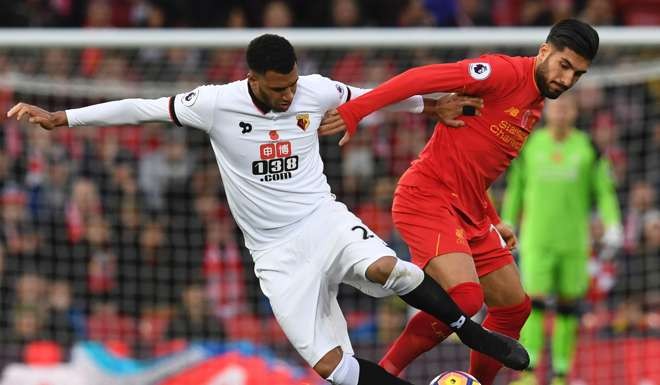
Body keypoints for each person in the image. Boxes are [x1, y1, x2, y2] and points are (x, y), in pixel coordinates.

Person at [7, 34, 527, 385]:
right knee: (332, 368)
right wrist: (63, 118)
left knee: (389, 268)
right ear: (253, 79)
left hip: (323, 218)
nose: (290, 94)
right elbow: (141, 109)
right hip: (273, 251)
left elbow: (376, 95)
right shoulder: (214, 103)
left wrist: (432, 106)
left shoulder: (314, 90)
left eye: (293, 83)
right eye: (279, 89)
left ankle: (472, 331)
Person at [319, 19, 599, 385]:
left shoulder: (536, 104)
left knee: (514, 307)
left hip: (470, 209)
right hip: (426, 196)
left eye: (577, 75)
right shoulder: (502, 73)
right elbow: (420, 78)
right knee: (465, 299)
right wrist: (358, 110)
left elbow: (474, 168)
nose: (566, 79)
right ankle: (380, 375)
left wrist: (495, 218)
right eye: (564, 66)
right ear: (545, 51)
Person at [503, 94, 622, 385]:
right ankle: (529, 371)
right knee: (536, 302)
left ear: (575, 112)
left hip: (574, 242)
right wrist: (506, 220)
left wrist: (613, 223)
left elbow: (604, 191)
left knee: (569, 305)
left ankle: (561, 374)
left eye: (567, 108)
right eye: (556, 107)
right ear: (547, 111)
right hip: (537, 239)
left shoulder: (588, 148)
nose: (561, 113)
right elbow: (516, 188)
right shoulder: (531, 145)